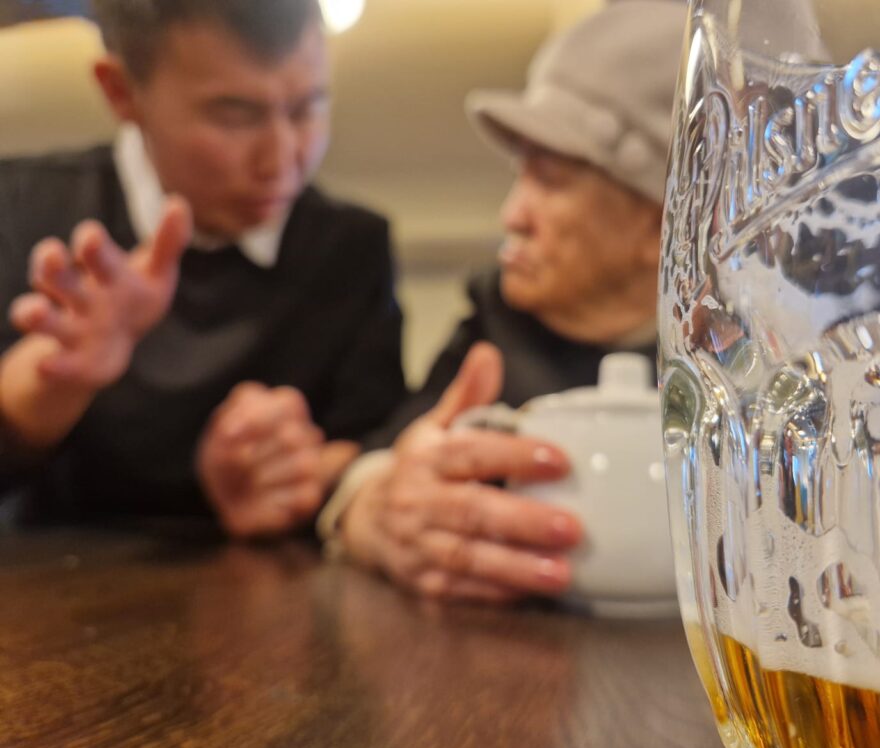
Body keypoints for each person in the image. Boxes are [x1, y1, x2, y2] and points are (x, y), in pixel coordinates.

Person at [318, 1, 687, 602]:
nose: (510, 215)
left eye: (550, 179)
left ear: (659, 225)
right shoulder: (498, 320)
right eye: (520, 174)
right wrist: (374, 508)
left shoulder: (754, 367)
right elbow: (393, 453)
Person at [0, 0, 405, 537]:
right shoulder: (21, 208)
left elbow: (373, 440)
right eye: (235, 116)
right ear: (121, 92)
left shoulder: (350, 248)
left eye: (307, 108)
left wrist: (295, 472)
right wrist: (44, 388)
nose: (281, 161)